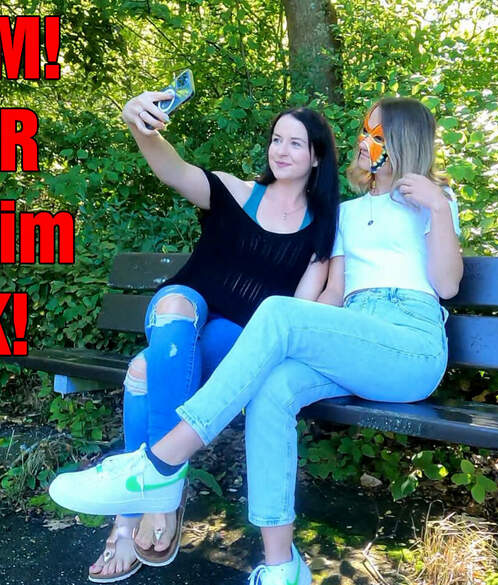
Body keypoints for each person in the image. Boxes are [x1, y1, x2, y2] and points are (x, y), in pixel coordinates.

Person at [49, 96, 463, 585]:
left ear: (404, 141)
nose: (364, 142)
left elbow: (447, 285)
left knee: (277, 312)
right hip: (354, 336)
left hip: (411, 343)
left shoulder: (436, 203)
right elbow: (332, 294)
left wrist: (437, 206)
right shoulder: (344, 214)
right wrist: (297, 331)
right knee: (271, 391)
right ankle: (281, 566)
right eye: (363, 132)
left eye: (378, 134)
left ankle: (160, 464)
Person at [83, 89, 340, 582]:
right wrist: (140, 126)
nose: (281, 150)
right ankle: (162, 495)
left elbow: (298, 311)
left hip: (238, 339)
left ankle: (127, 521)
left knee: (142, 371)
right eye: (276, 139)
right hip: (183, 309)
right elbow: (173, 170)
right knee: (176, 307)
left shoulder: (321, 229)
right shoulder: (234, 191)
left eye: (296, 143)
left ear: (316, 158)